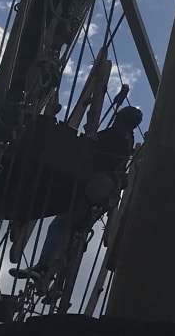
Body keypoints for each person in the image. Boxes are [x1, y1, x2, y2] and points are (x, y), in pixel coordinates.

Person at [18, 105, 142, 282]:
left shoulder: (113, 137)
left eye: (119, 118)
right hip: (104, 189)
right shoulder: (126, 140)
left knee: (62, 222)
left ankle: (44, 266)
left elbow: (91, 155)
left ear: (122, 120)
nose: (116, 121)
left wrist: (86, 138)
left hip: (96, 183)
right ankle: (54, 269)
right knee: (75, 227)